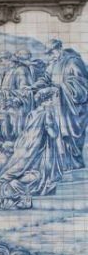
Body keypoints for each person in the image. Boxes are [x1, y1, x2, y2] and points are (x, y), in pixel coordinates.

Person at [46, 41, 88, 170]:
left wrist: (60, 87)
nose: (50, 56)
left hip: (72, 110)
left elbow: (82, 86)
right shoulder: (54, 64)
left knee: (71, 139)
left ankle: (75, 164)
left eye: (52, 52)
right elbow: (46, 79)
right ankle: (65, 165)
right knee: (59, 137)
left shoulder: (72, 62)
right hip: (58, 106)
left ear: (59, 48)